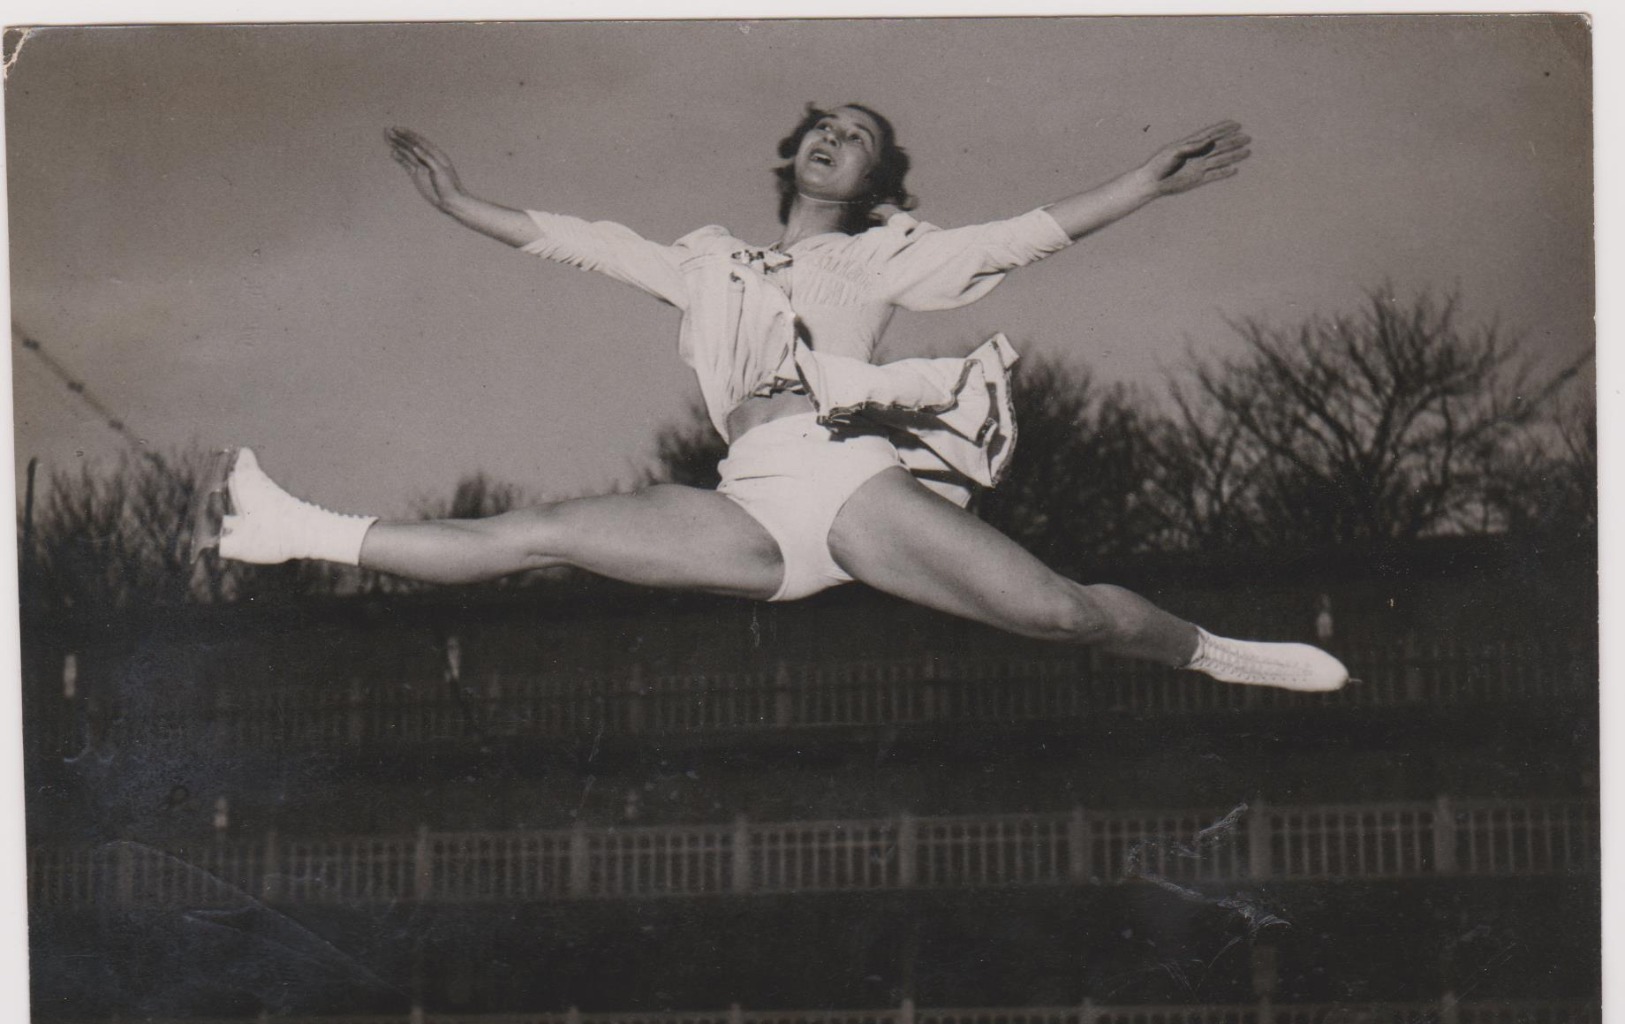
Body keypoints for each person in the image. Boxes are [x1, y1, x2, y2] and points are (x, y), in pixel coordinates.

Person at [194, 104, 1348, 693]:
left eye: (857, 139)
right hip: (748, 503)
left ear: (876, 181)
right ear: (793, 153)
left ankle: (1210, 656)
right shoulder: (706, 260)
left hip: (844, 473)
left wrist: (1150, 177)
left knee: (1059, 617)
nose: (831, 140)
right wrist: (462, 207)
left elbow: (1027, 234)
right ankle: (291, 528)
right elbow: (584, 244)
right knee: (539, 533)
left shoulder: (884, 256)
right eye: (821, 129)